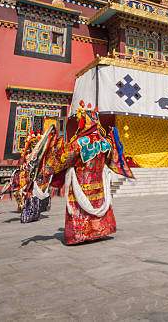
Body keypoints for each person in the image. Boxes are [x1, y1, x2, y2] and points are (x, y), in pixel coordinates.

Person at [41, 102, 134, 245]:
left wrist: (54, 147)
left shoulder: (79, 143)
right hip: (98, 183)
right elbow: (112, 158)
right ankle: (100, 231)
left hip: (82, 182)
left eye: (80, 121)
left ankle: (81, 234)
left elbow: (63, 159)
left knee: (79, 209)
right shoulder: (106, 142)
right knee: (97, 204)